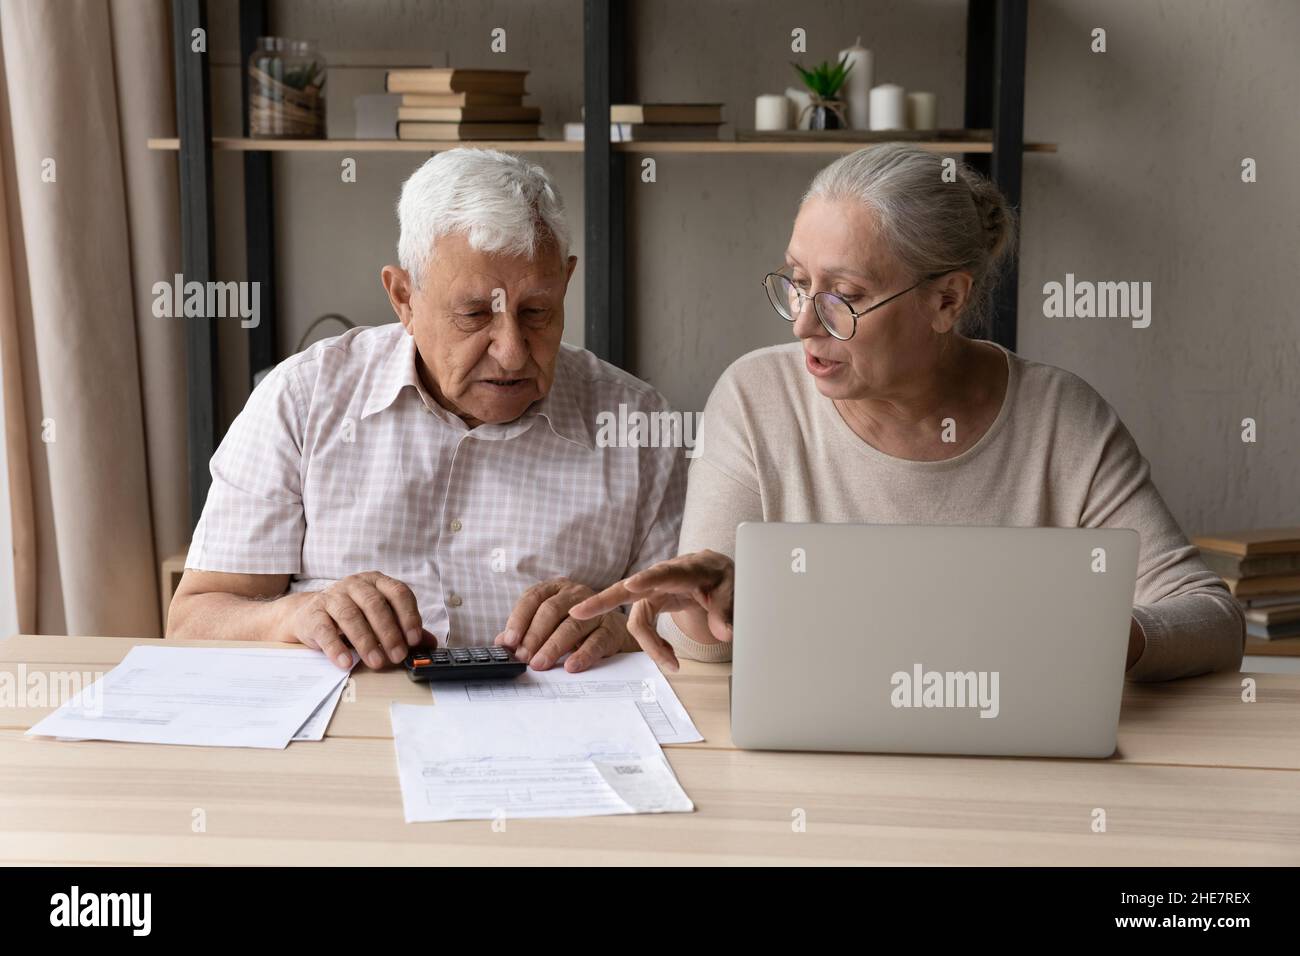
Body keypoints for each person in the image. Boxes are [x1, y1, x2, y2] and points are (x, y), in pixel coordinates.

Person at [573, 143, 1243, 682]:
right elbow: (709, 653)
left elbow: (1213, 619)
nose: (805, 322)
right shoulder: (757, 397)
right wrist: (710, 606)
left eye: (844, 295)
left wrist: (1099, 639)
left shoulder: (1060, 419)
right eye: (798, 282)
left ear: (947, 300)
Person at [168, 149, 685, 674]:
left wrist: (621, 630)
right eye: (474, 313)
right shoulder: (303, 400)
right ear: (403, 298)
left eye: (536, 312)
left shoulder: (637, 428)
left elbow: (696, 631)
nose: (511, 351)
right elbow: (193, 620)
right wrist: (292, 616)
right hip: (345, 739)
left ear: (566, 284)